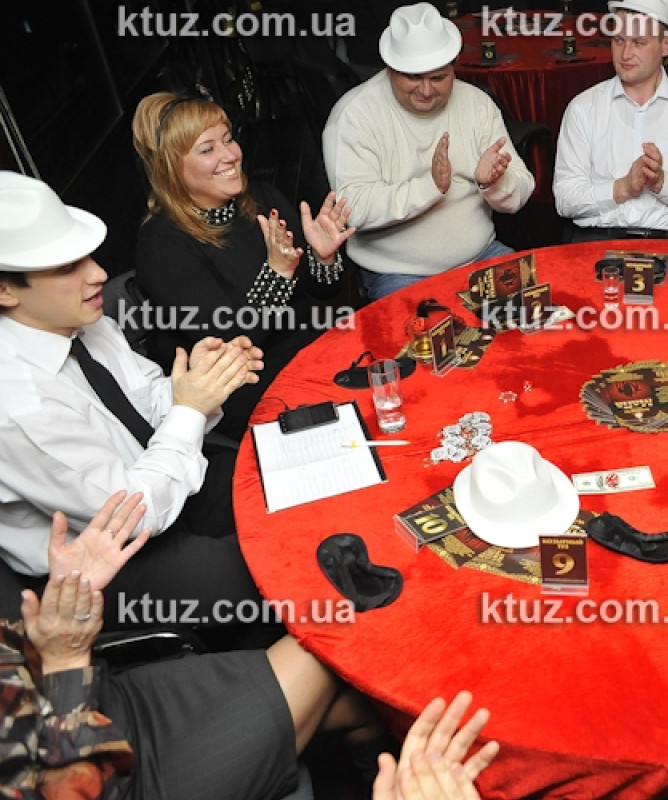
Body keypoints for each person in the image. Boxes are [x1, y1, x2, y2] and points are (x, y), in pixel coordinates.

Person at [0, 490, 497, 800]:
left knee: (359, 703)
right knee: (333, 633)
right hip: (125, 779)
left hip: (100, 696)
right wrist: (66, 661)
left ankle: (376, 772)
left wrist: (51, 630)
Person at [0, 171, 265, 628]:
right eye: (67, 267)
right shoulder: (17, 407)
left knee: (279, 484)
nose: (99, 274)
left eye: (88, 257)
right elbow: (131, 513)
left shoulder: (87, 322)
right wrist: (189, 409)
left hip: (158, 478)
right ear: (5, 291)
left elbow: (146, 402)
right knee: (256, 575)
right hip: (101, 558)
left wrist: (198, 381)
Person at [132, 91, 355, 438]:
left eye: (228, 139)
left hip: (311, 354)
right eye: (207, 149)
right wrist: (277, 273)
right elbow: (231, 344)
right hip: (249, 389)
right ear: (171, 168)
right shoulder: (162, 244)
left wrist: (323, 257)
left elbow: (323, 290)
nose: (230, 155)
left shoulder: (262, 199)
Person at [323, 2, 534, 300]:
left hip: (481, 255)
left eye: (438, 78)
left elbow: (523, 188)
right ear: (390, 68)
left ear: (454, 67)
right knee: (430, 332)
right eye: (413, 77)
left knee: (538, 317)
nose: (425, 90)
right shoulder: (353, 115)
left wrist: (494, 184)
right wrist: (431, 187)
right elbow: (353, 210)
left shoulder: (477, 103)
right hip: (397, 272)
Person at [554, 0, 668, 242]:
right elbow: (565, 199)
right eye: (618, 40)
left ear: (666, 44)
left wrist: (662, 183)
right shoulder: (583, 108)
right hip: (598, 241)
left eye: (638, 42)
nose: (625, 54)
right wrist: (623, 187)